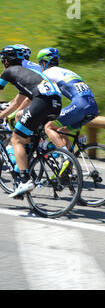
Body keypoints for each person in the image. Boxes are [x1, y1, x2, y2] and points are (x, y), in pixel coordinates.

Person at [0, 45, 62, 198]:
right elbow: (17, 103)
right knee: (27, 136)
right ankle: (37, 156)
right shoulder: (28, 73)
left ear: (6, 61)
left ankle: (24, 179)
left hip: (42, 102)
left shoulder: (8, 72)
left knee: (16, 139)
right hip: (56, 103)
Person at [36, 47, 98, 151]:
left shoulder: (46, 74)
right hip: (93, 107)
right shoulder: (68, 72)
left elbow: (44, 95)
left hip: (79, 105)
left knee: (49, 127)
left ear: (44, 62)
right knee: (62, 130)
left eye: (40, 63)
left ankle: (65, 154)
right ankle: (69, 163)